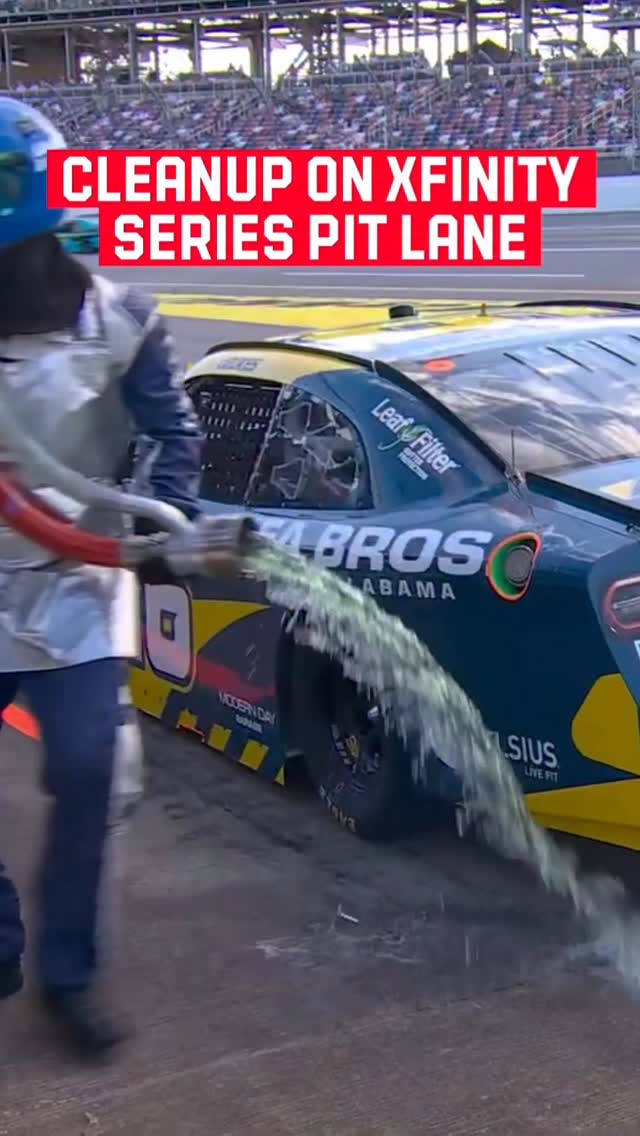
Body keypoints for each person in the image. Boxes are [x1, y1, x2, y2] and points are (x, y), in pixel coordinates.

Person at [0, 97, 203, 1056]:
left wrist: (166, 522)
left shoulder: (120, 318)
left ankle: (70, 976)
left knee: (88, 770)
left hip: (70, 585)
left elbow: (172, 435)